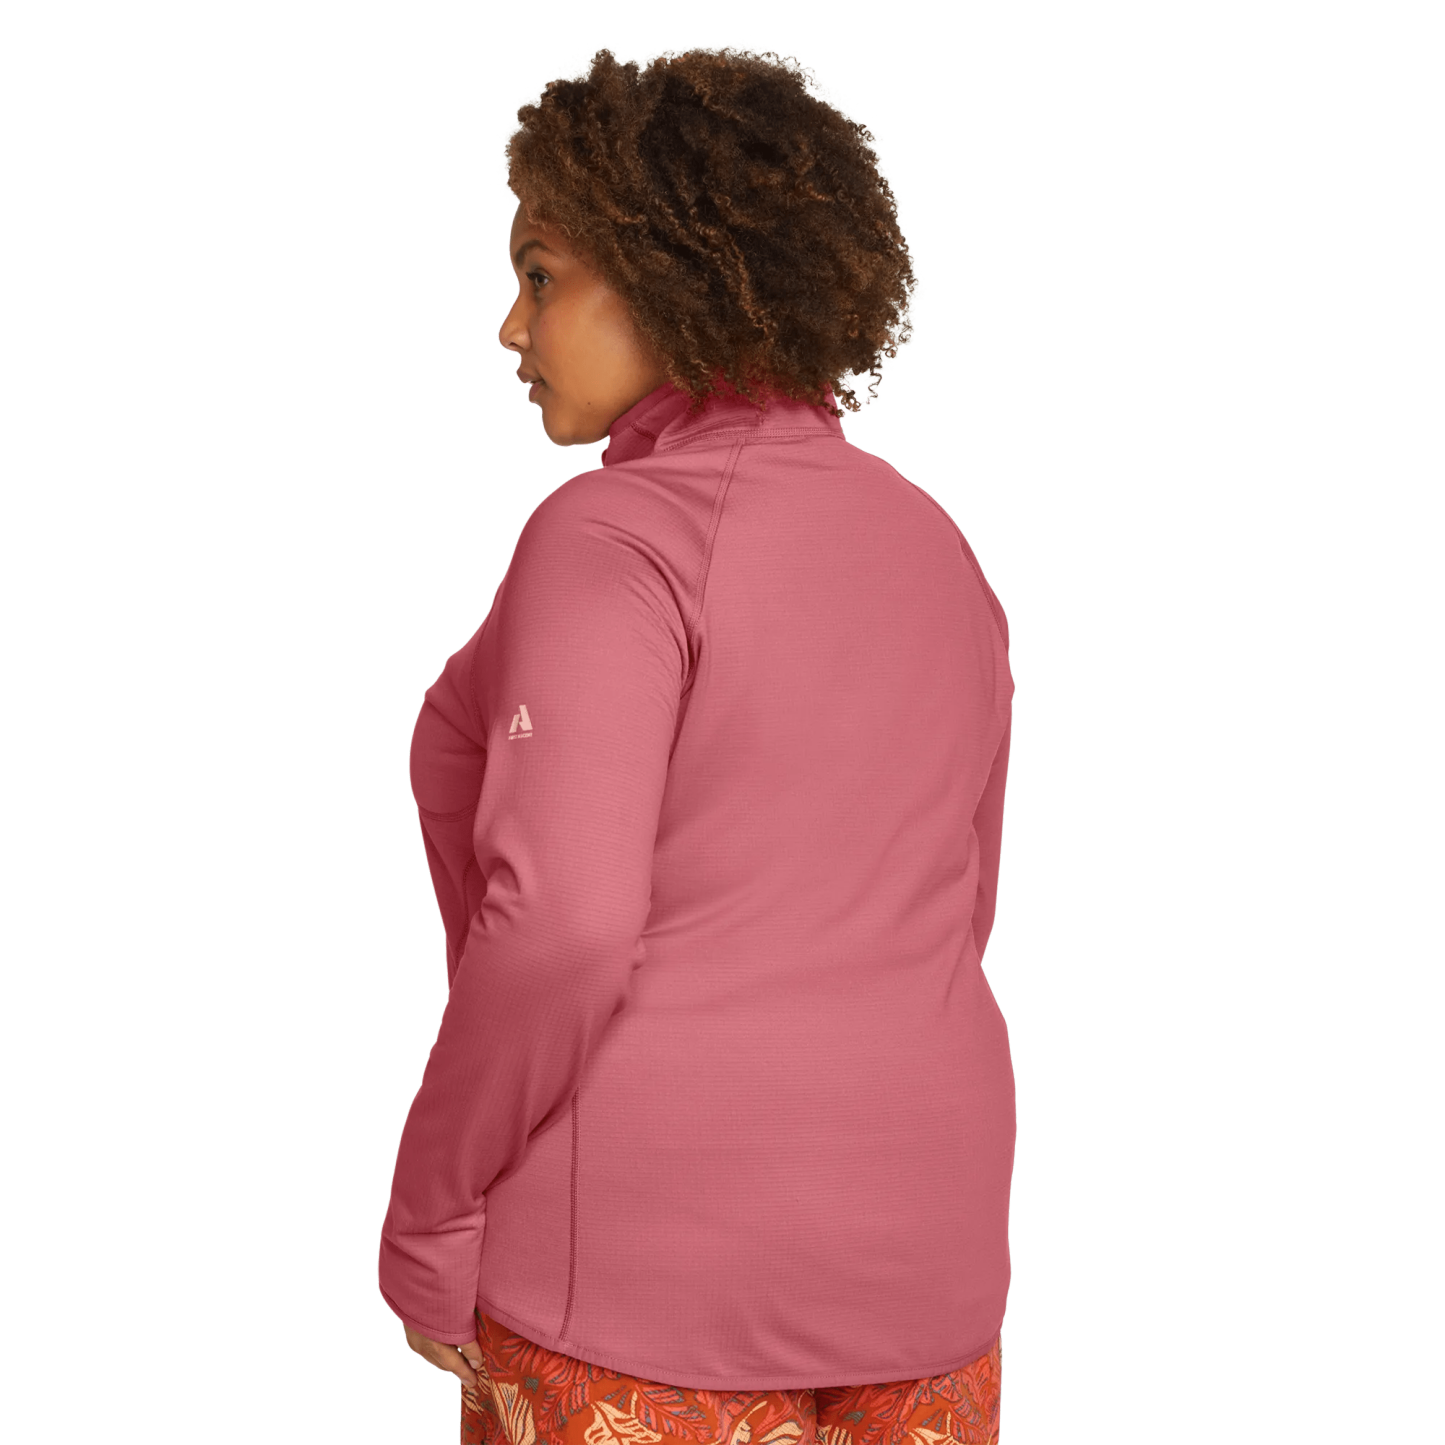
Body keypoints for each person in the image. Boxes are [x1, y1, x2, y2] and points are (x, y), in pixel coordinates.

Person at [377, 41, 1016, 1445]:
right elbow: (956, 910)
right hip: (930, 1260)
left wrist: (430, 1217)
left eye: (540, 276)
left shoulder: (613, 540)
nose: (510, 326)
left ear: (665, 277)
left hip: (644, 1287)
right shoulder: (939, 547)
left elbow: (562, 929)